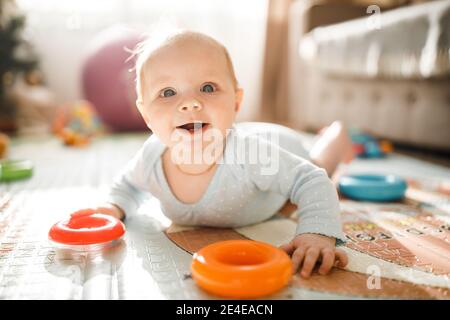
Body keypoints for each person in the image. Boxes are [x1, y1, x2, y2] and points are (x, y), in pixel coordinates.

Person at [85, 30, 352, 278]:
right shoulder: (151, 157)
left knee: (321, 163)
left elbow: (311, 180)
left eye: (208, 88)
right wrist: (114, 207)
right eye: (168, 92)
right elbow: (129, 186)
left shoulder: (251, 155)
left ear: (236, 102)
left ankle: (335, 136)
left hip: (279, 144)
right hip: (241, 132)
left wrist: (316, 233)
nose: (190, 102)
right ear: (146, 114)